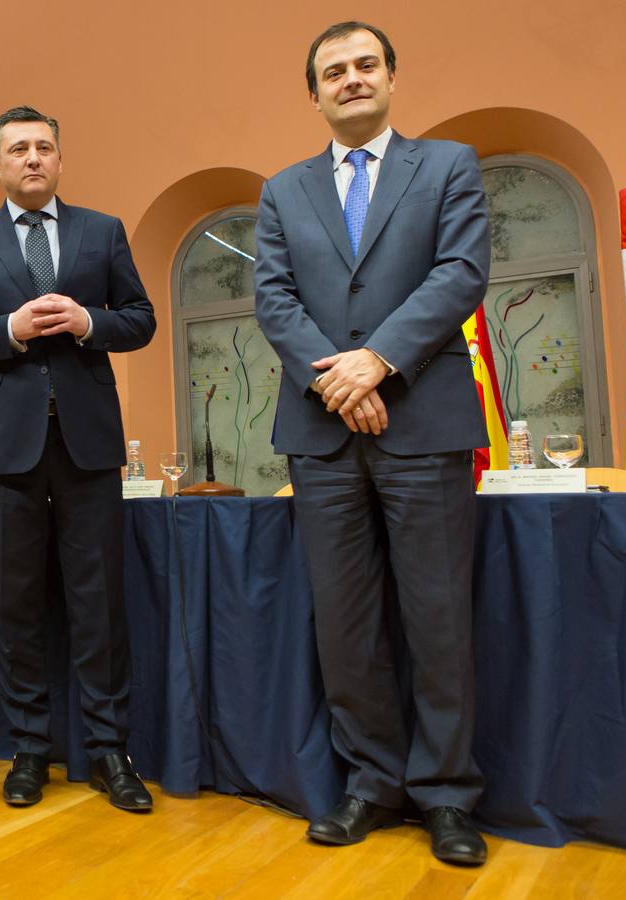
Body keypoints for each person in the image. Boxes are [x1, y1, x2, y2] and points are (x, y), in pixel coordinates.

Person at [253, 22, 492, 865]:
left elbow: (460, 273)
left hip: (423, 420)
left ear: (391, 76)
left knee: (437, 619)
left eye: (365, 65)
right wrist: (335, 381)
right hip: (320, 434)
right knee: (345, 624)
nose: (350, 79)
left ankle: (448, 796)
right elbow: (274, 299)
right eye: (333, 72)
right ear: (313, 93)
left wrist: (377, 360)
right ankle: (369, 785)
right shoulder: (282, 192)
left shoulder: (450, 167)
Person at [0, 106, 157, 812]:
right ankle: (29, 749)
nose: (33, 158)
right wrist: (8, 330)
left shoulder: (102, 230)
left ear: (60, 160)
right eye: (18, 149)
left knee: (97, 604)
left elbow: (141, 320)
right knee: (16, 603)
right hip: (4, 448)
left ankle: (110, 750)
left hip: (87, 444)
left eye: (45, 147)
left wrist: (91, 322)